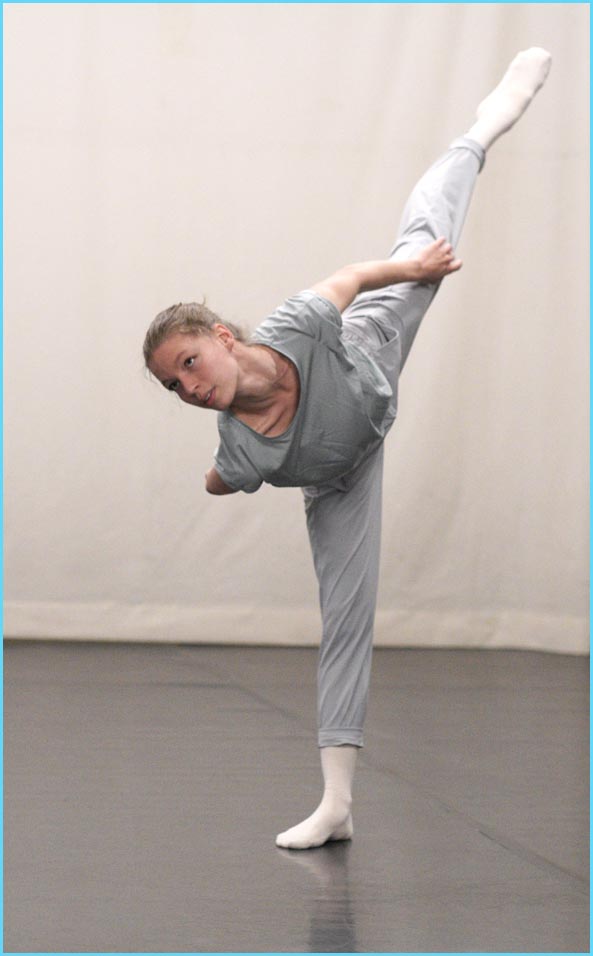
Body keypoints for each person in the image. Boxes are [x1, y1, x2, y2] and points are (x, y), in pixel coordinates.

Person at [143, 49, 552, 849]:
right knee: (344, 620)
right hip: (343, 477)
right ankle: (336, 803)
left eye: (188, 363)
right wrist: (217, 479)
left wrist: (412, 267)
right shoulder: (243, 451)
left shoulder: (294, 324)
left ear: (221, 337)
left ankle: (480, 129)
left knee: (425, 244)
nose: (187, 386)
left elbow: (354, 277)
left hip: (368, 356)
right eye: (172, 386)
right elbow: (222, 479)